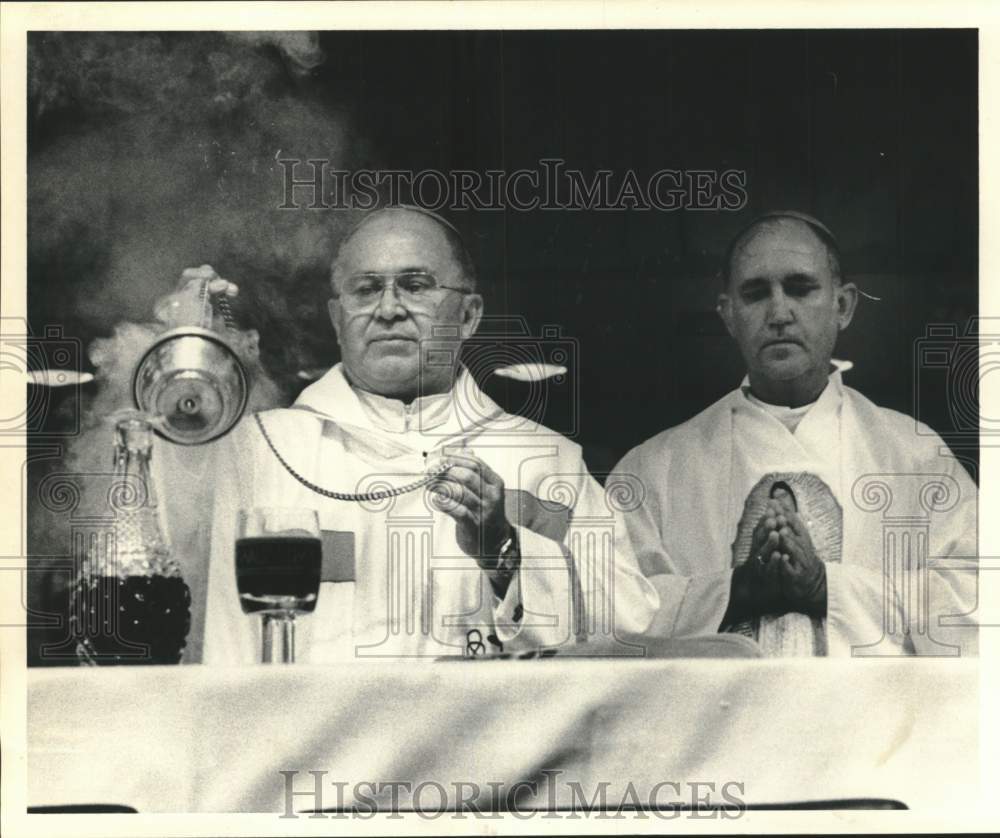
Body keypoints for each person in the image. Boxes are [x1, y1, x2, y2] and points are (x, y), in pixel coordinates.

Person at [202, 206, 659, 662]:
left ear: (468, 315)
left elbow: (629, 627)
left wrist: (505, 552)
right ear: (337, 319)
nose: (387, 309)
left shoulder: (545, 461)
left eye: (415, 286)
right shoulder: (256, 451)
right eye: (365, 289)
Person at [611, 211, 978, 656]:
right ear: (728, 315)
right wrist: (736, 590)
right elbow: (611, 614)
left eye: (800, 289)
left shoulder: (917, 458)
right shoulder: (654, 470)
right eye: (755, 294)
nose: (779, 312)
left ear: (843, 306)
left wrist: (827, 587)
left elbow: (977, 605)